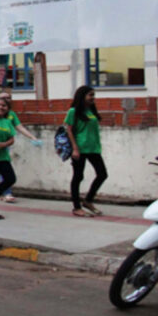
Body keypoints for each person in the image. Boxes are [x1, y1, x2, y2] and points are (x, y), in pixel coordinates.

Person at [0, 89, 42, 203]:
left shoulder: (11, 115)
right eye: (3, 98)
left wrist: (32, 137)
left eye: (8, 98)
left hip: (4, 147)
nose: (6, 101)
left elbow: (19, 127)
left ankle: (4, 193)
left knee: (7, 174)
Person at [65, 86, 106, 217]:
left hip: (93, 148)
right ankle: (76, 207)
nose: (93, 98)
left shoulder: (91, 110)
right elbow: (69, 130)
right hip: (80, 148)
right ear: (82, 96)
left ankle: (88, 200)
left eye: (94, 95)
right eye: (90, 95)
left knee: (102, 174)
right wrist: (75, 148)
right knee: (78, 177)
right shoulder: (73, 111)